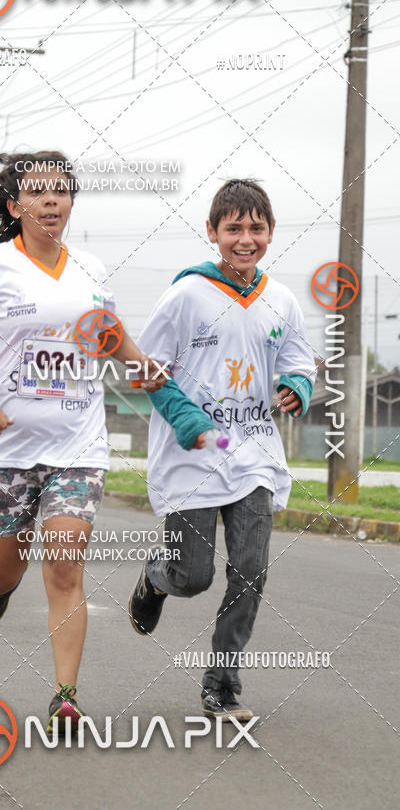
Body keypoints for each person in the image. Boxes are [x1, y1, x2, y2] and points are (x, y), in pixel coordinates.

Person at [0, 151, 163, 734]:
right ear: (15, 206)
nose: (51, 200)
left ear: (71, 203)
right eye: (37, 192)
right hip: (7, 450)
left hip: (78, 446)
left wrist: (140, 363)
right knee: (6, 572)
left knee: (63, 564)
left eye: (61, 191)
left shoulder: (90, 268)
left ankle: (65, 696)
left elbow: (106, 331)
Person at [128, 178, 316, 721]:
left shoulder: (281, 300)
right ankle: (156, 578)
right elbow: (146, 368)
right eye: (233, 228)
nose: (245, 239)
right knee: (193, 577)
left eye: (256, 228)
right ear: (212, 232)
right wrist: (185, 416)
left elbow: (300, 361)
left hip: (254, 454)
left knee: (250, 572)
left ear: (271, 232)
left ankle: (222, 686)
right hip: (192, 458)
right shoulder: (186, 296)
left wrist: (298, 386)